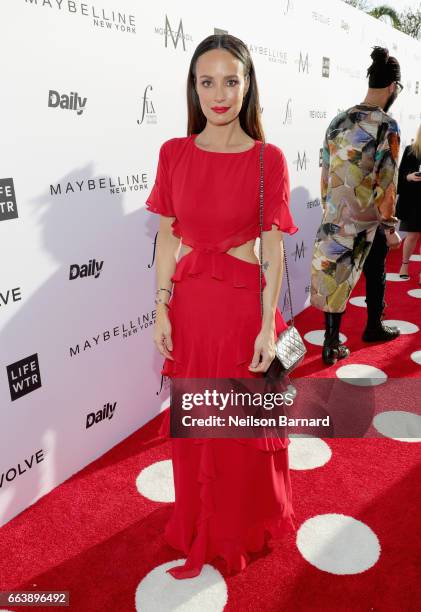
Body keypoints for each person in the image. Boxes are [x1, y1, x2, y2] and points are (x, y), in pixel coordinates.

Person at [145, 34, 298, 579]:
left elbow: (273, 251)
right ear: (194, 87)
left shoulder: (268, 159)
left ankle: (236, 528)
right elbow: (166, 238)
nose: (218, 93)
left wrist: (266, 328)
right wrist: (160, 307)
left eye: (230, 80)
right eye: (206, 81)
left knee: (238, 434)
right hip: (191, 311)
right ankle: (196, 523)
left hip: (242, 316)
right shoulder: (174, 153)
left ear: (248, 84)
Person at [310, 46, 402, 366]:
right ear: (393, 87)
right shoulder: (386, 125)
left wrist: (329, 207)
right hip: (368, 218)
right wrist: (389, 225)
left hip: (337, 214)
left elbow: (325, 170)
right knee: (376, 268)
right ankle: (373, 325)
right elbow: (386, 181)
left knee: (335, 274)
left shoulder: (338, 120)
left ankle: (331, 343)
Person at [396, 125, 421, 284]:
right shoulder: (411, 150)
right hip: (414, 200)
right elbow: (400, 176)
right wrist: (409, 177)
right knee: (412, 235)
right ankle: (404, 265)